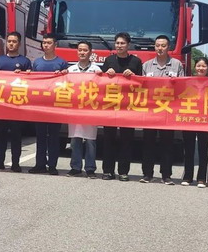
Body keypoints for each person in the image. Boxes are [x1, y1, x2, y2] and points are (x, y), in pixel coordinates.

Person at [141, 35, 184, 185]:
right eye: (158, 45)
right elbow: (141, 87)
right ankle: (147, 174)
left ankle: (166, 175)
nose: (160, 48)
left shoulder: (177, 64)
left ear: (168, 47)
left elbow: (182, 87)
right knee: (148, 143)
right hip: (151, 111)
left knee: (167, 143)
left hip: (168, 111)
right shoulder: (147, 65)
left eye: (163, 46)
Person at [0, 31, 32, 173]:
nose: (11, 44)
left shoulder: (25, 61)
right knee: (1, 135)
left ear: (19, 44)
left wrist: (25, 74)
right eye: (9, 41)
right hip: (2, 104)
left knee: (16, 136)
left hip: (17, 104)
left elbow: (31, 82)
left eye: (14, 41)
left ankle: (15, 163)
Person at [100, 32, 143, 181]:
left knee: (126, 140)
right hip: (111, 105)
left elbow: (142, 83)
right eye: (117, 43)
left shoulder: (136, 61)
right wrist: (106, 73)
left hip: (128, 107)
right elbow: (101, 82)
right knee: (108, 139)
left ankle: (123, 171)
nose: (119, 46)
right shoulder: (109, 60)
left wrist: (134, 75)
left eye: (122, 43)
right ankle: (107, 171)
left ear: (128, 45)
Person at [28, 33, 68, 175]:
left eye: (49, 43)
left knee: (54, 137)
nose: (46, 45)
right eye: (44, 42)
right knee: (40, 136)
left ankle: (52, 165)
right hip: (40, 105)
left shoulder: (62, 63)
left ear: (55, 45)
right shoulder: (37, 62)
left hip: (55, 105)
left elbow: (67, 82)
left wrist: (63, 74)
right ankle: (40, 164)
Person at [66, 41, 101, 179]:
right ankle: (75, 167)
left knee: (90, 140)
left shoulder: (97, 70)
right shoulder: (70, 70)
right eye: (80, 50)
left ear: (90, 52)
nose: (82, 52)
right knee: (75, 139)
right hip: (75, 109)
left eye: (85, 50)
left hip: (91, 109)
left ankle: (90, 168)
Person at [181, 57, 208, 188]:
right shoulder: (188, 81)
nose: (201, 68)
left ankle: (202, 178)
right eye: (198, 66)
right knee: (188, 149)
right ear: (195, 67)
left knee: (203, 150)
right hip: (189, 119)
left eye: (204, 66)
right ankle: (187, 176)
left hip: (205, 120)